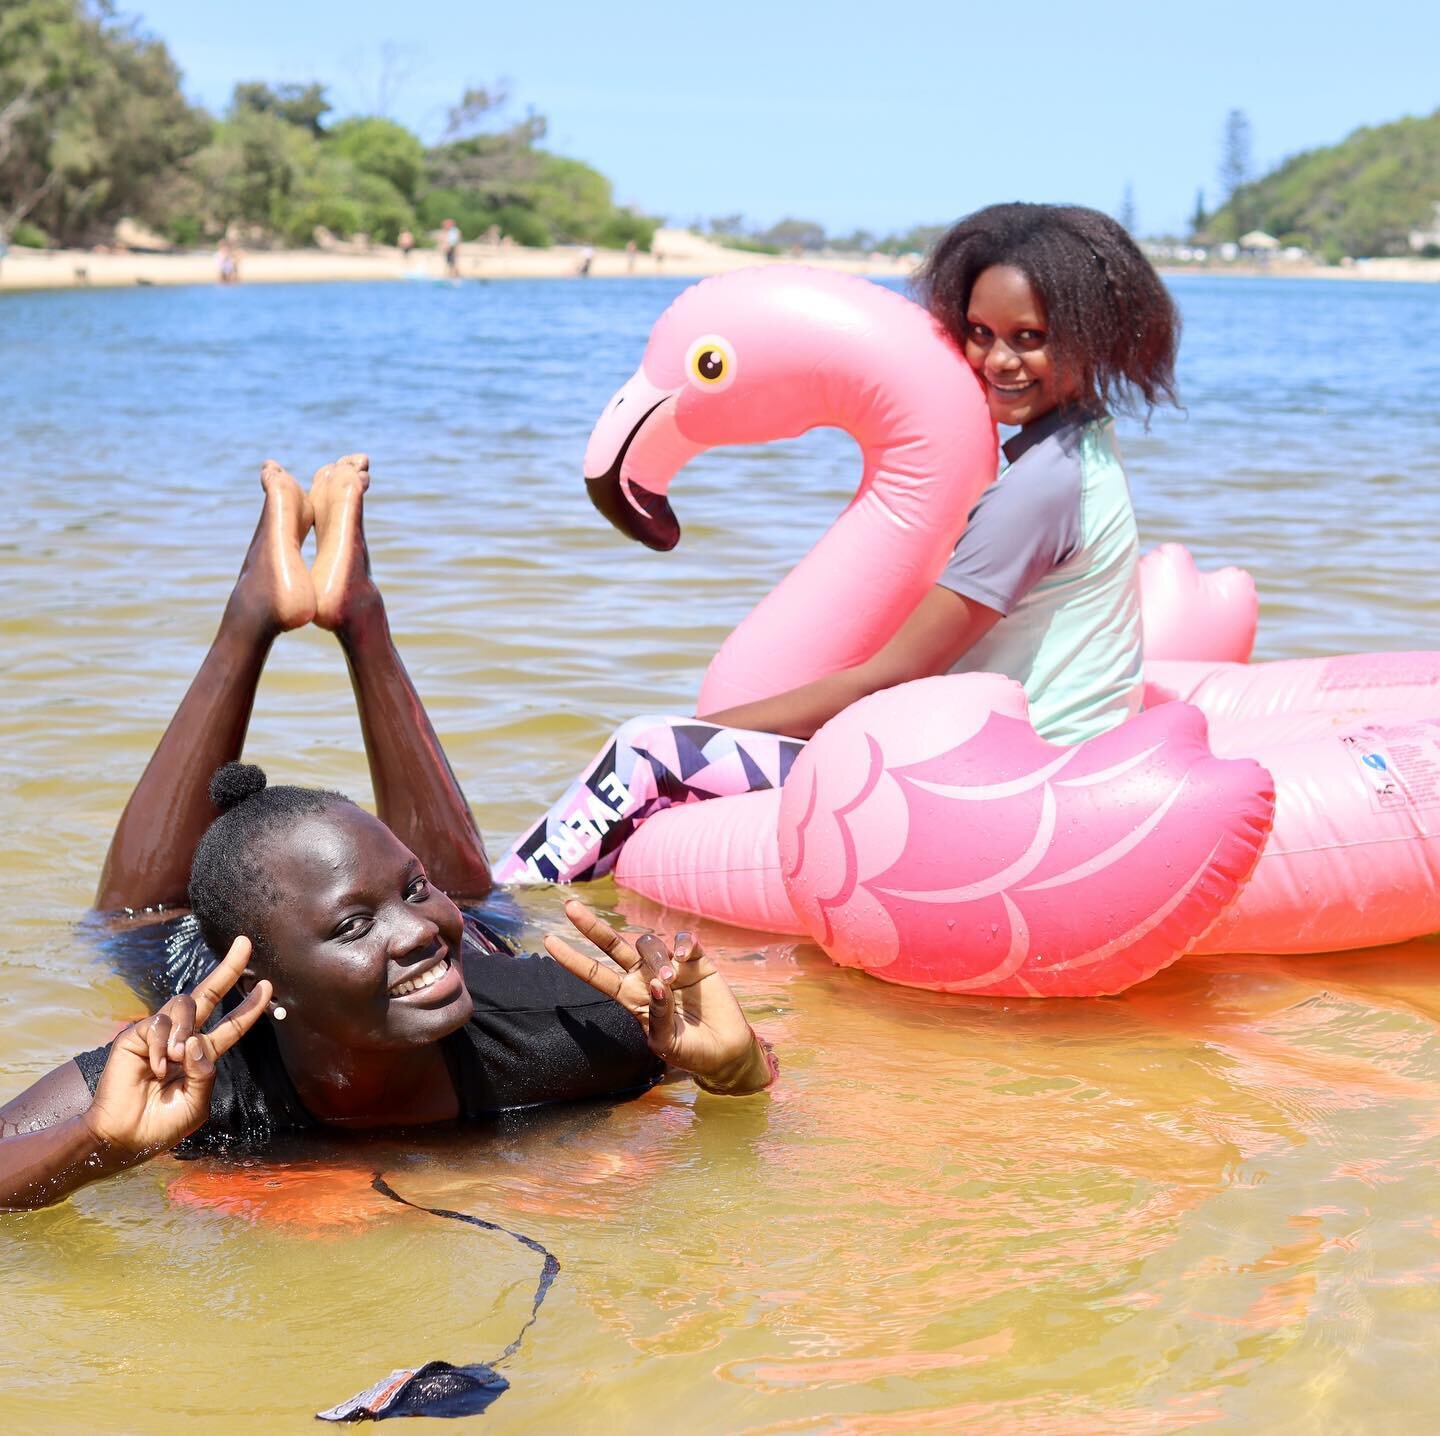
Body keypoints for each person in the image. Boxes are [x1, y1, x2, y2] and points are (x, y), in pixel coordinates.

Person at [0, 457, 775, 1211]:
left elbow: (749, 1069)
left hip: (485, 964)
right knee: (137, 923)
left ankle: (356, 612)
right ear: (263, 989)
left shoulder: (579, 1026)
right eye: (353, 925)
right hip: (216, 960)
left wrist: (735, 1070)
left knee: (471, 902)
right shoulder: (206, 1072)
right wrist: (97, 1144)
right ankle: (256, 613)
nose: (421, 932)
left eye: (412, 889)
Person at [499, 203, 1181, 884]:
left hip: (1007, 792)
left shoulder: (1038, 489)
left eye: (1029, 337)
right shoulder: (1081, 450)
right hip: (1030, 764)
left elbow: (896, 674)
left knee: (644, 752)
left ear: (1092, 336)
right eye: (979, 332)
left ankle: (499, 913)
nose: (998, 360)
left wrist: (707, 730)